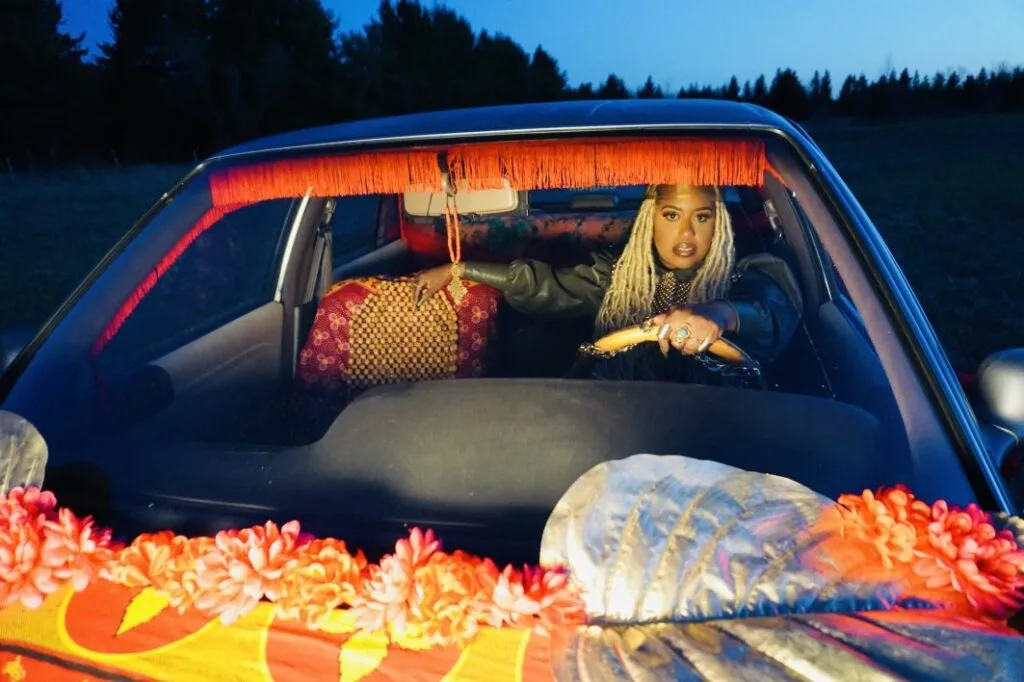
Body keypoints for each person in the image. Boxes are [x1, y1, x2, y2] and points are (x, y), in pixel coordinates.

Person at [414, 184, 803, 384]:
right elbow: (545, 286)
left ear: (719, 224)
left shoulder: (743, 273)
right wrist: (461, 269)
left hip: (712, 421)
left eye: (702, 217)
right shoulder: (614, 276)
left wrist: (716, 315)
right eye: (671, 215)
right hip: (619, 412)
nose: (686, 231)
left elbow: (770, 308)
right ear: (650, 220)